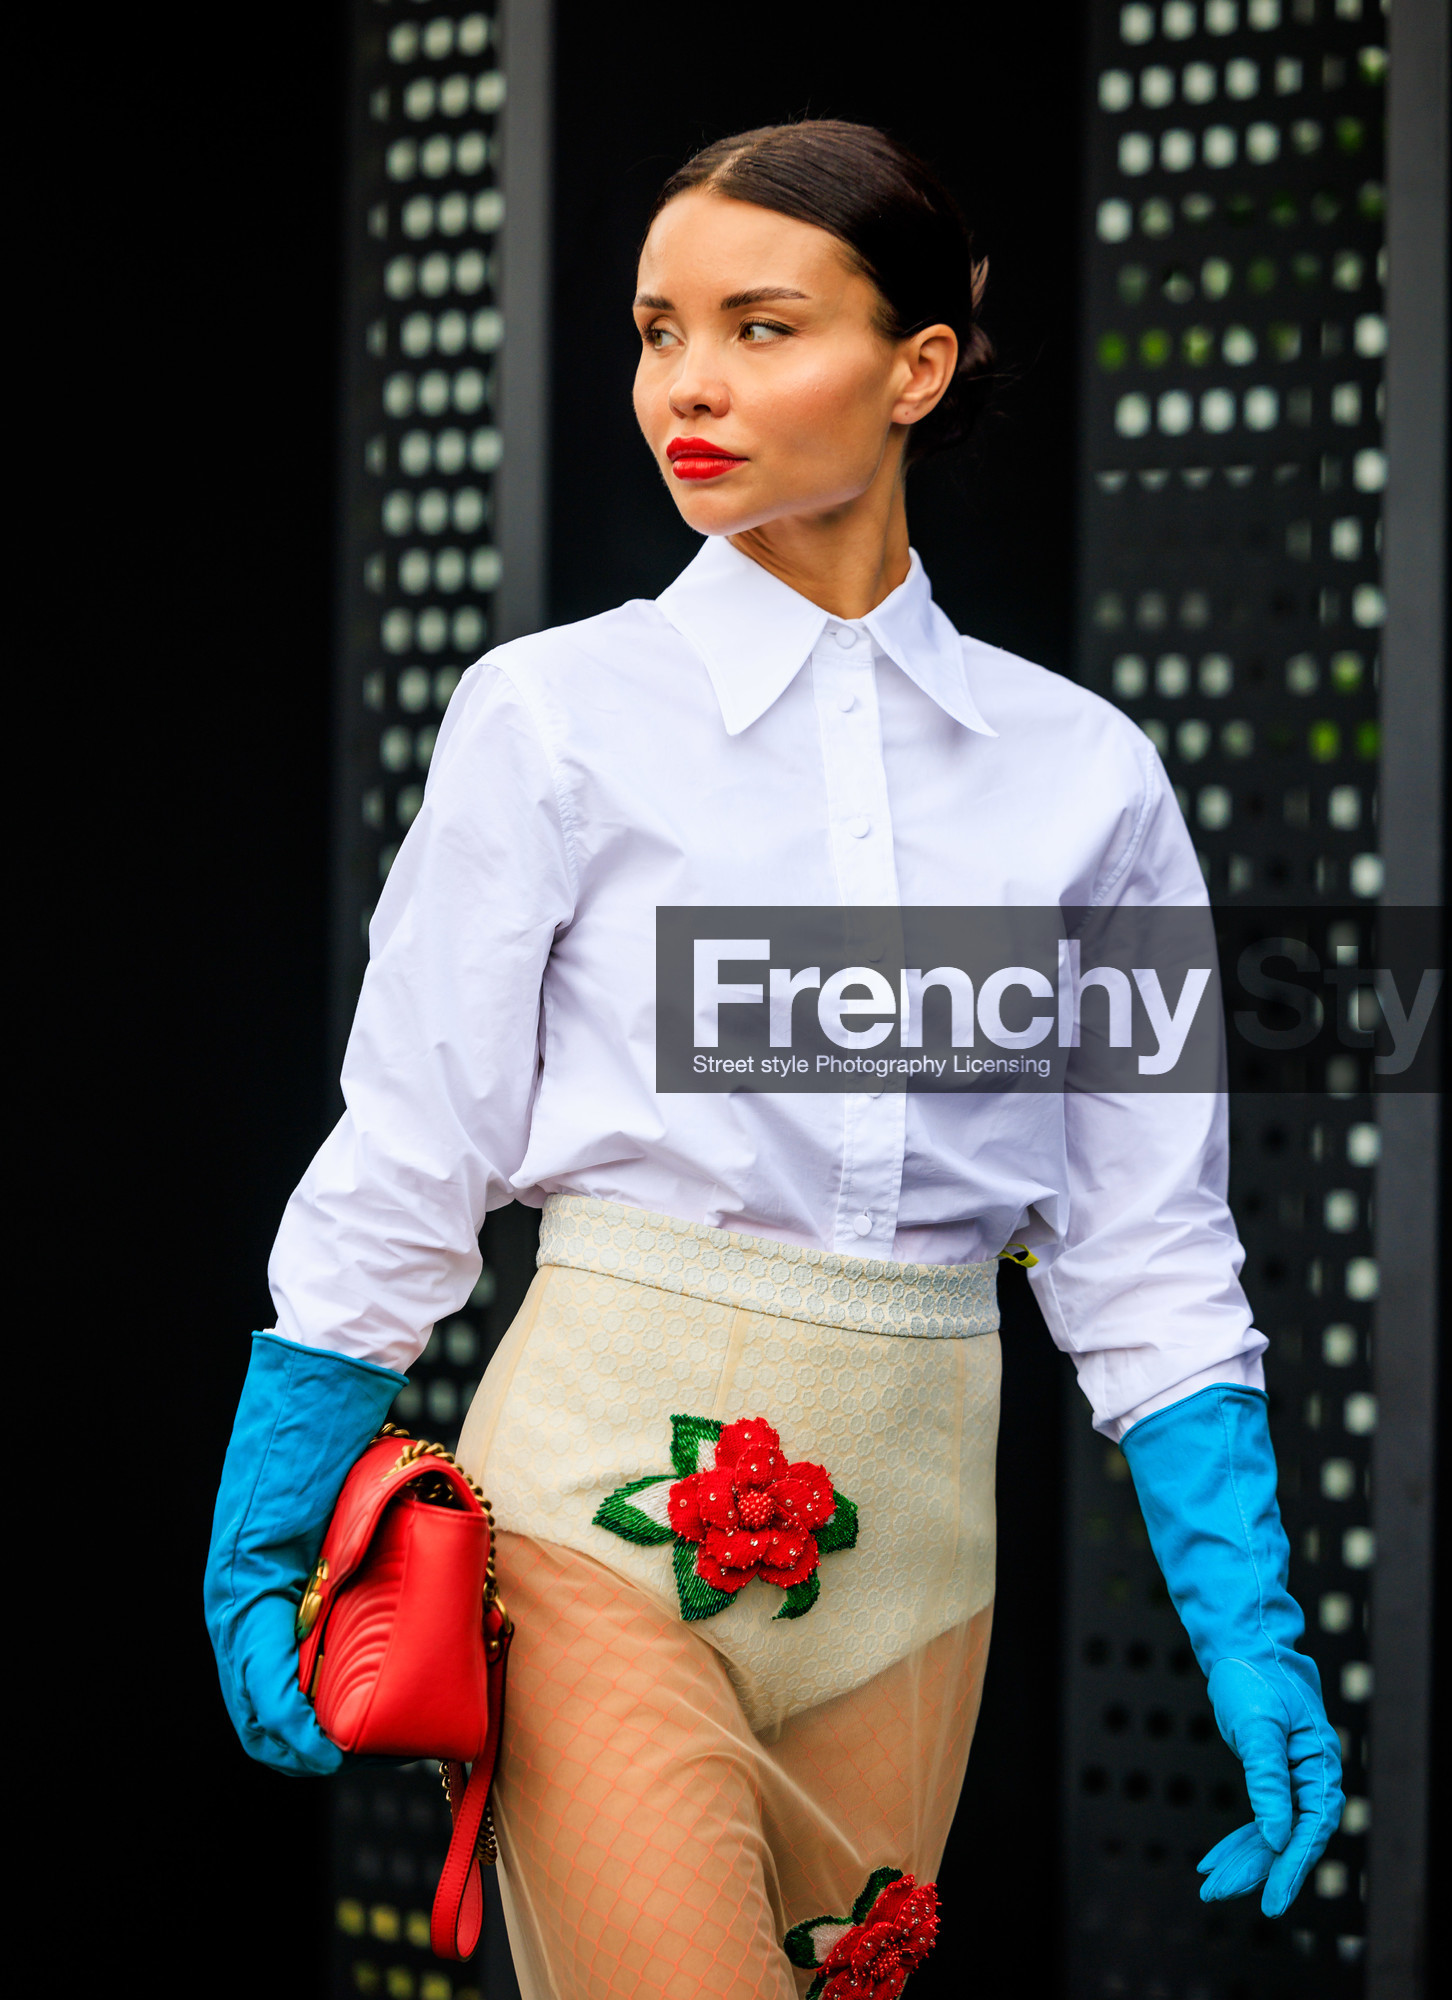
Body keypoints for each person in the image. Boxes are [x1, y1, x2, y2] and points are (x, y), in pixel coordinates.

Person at [205, 121, 1343, 1999]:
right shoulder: (553, 716)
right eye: (660, 332)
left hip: (925, 1570)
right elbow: (414, 1144)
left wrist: (1251, 1633)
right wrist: (267, 1526)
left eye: (760, 326)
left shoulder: (1089, 775)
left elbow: (1145, 1241)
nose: (689, 384)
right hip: (585, 1525)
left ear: (919, 366)